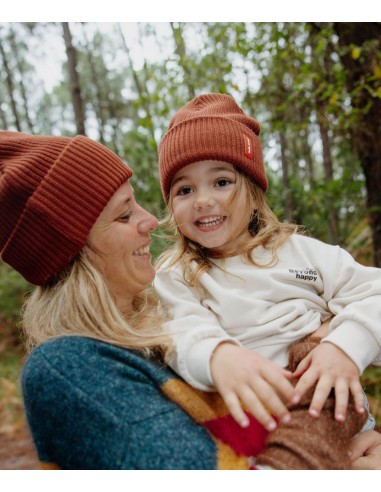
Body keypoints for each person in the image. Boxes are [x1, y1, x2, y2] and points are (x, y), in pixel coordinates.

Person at [0, 131, 378, 471]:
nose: (151, 220)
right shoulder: (75, 368)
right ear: (75, 251)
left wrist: (344, 345)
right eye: (124, 214)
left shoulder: (153, 338)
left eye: (222, 182)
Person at [154, 93, 381, 445]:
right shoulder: (177, 273)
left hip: (326, 402)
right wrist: (219, 356)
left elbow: (375, 293)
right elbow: (181, 331)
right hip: (244, 416)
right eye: (184, 189)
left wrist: (345, 347)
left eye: (221, 182)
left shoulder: (303, 253)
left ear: (255, 192)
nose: (202, 200)